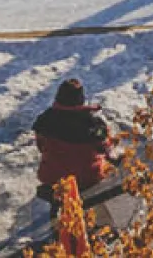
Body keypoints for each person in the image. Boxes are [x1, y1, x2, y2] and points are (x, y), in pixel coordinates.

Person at [33, 78, 114, 219]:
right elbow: (105, 148)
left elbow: (41, 146)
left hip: (52, 177)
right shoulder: (93, 125)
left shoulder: (44, 120)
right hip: (87, 178)